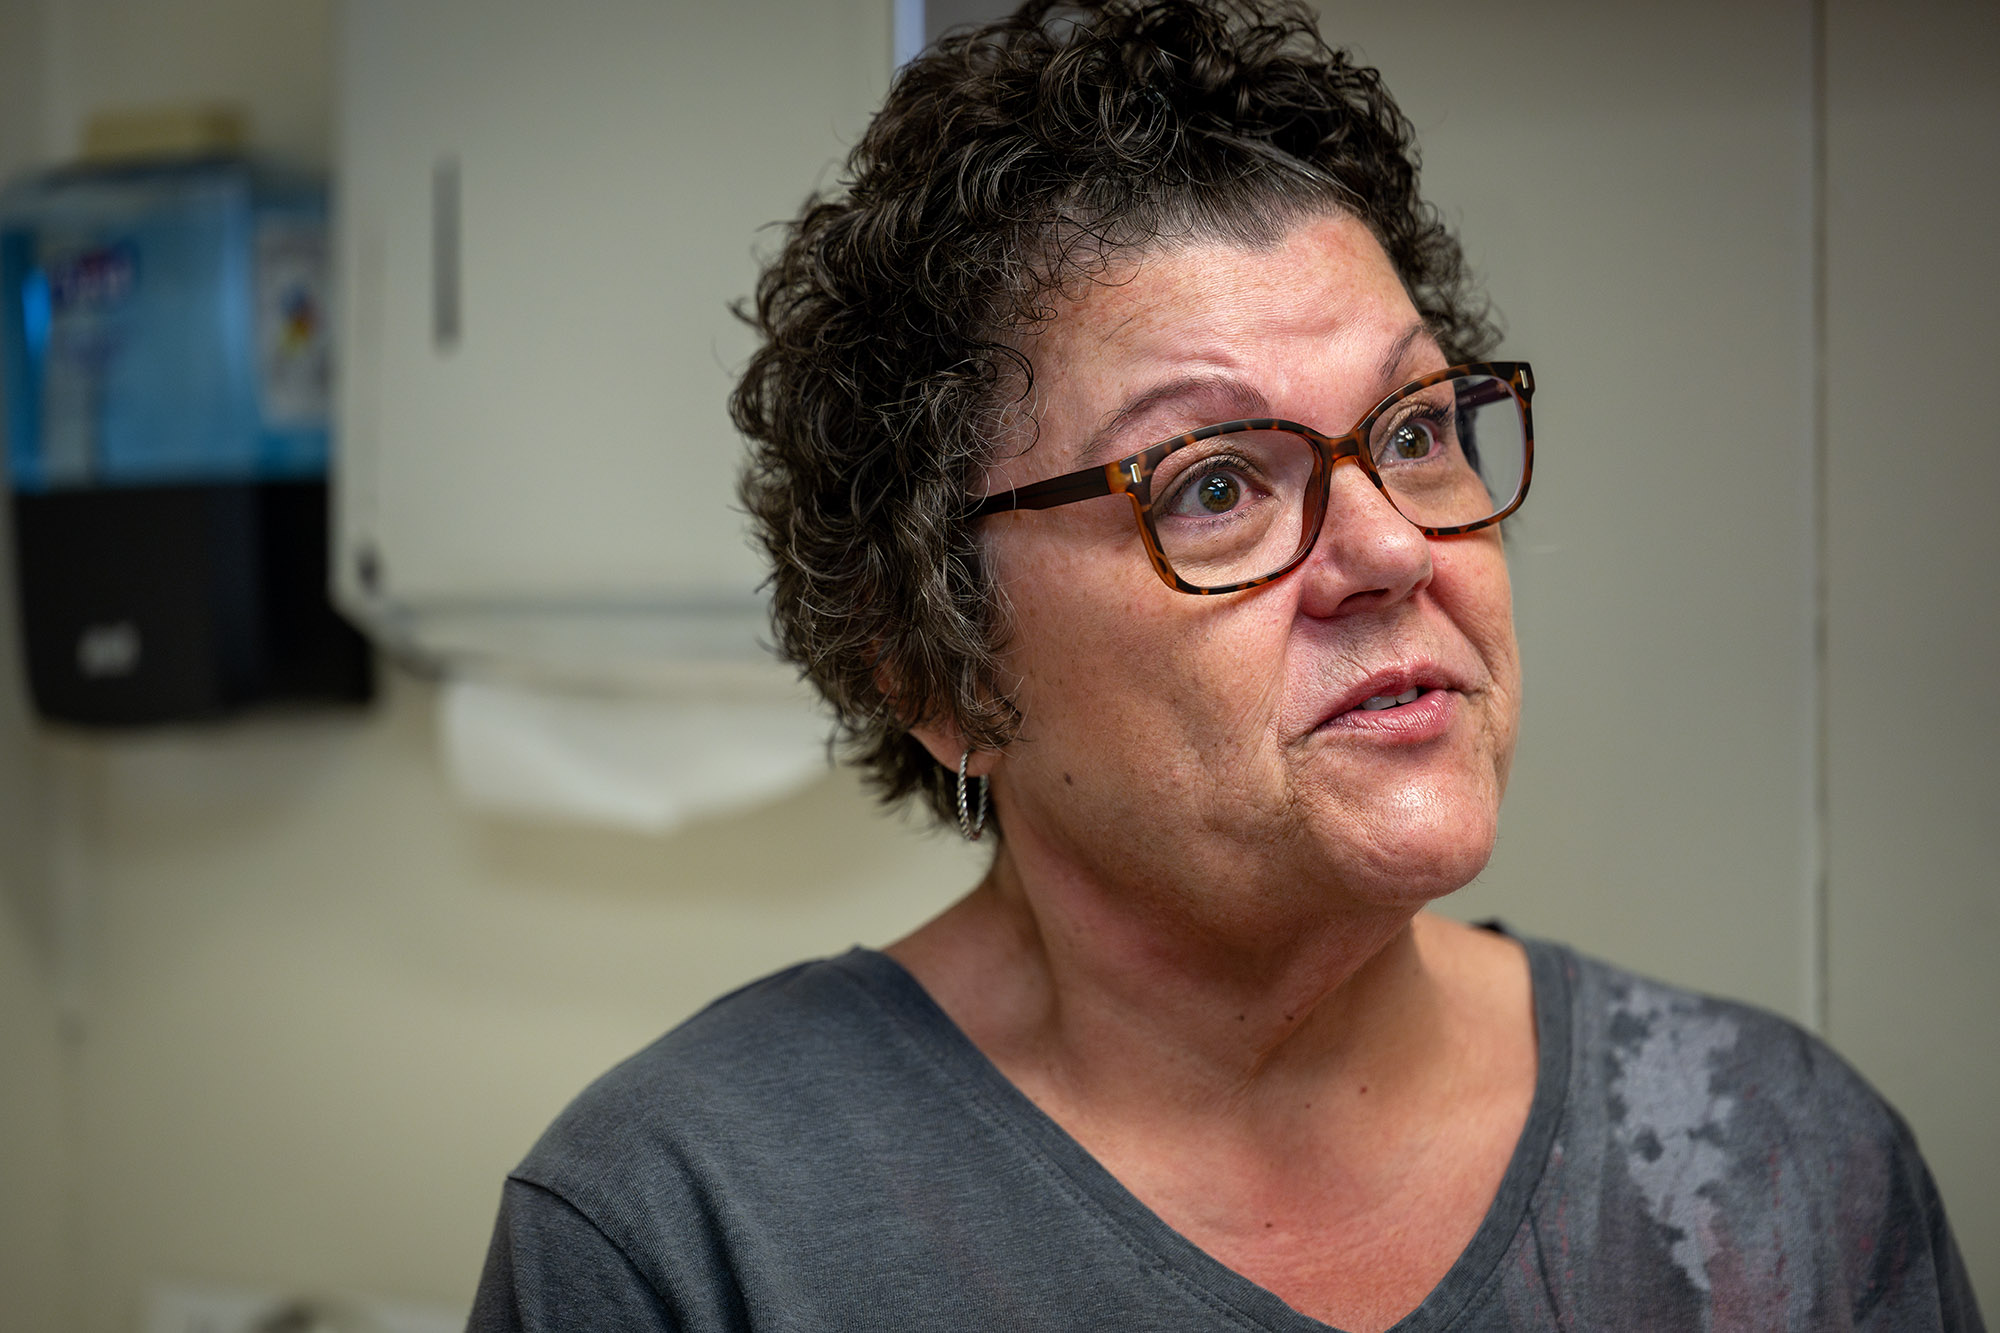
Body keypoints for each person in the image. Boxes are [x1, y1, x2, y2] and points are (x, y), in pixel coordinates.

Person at [467, 3, 1983, 1329]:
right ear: (938, 672)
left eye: (1415, 430)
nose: (1392, 547)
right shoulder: (685, 1235)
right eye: (1210, 483)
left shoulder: (1782, 1165)